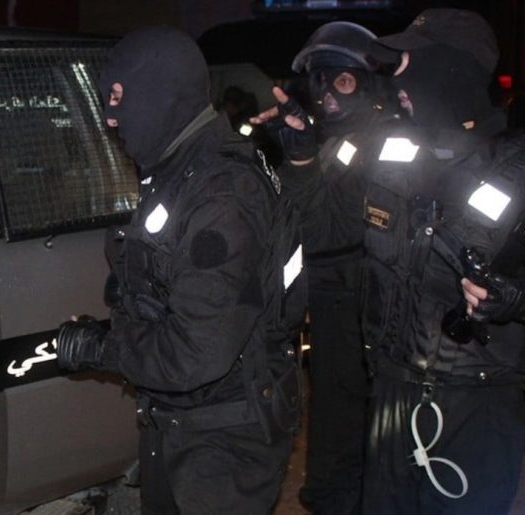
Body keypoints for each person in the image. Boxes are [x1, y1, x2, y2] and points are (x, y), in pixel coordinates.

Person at [262, 8, 525, 514]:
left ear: (452, 67)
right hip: (390, 398)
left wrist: (515, 298)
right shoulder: (393, 155)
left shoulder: (516, 167)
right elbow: (326, 233)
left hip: (476, 406)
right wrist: (300, 159)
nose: (396, 78)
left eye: (407, 62)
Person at [54, 26, 306, 514]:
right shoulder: (182, 168)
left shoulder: (223, 192)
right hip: (185, 421)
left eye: (118, 97)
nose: (109, 117)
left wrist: (102, 348)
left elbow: (196, 352)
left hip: (223, 439)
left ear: (161, 93)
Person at [256, 21, 400, 515]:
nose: (328, 95)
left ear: (368, 82)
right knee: (333, 409)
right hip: (332, 296)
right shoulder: (335, 139)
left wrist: (301, 162)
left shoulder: (384, 141)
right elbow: (291, 216)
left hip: (361, 298)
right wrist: (294, 151)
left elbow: (330, 231)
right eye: (319, 82)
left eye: (342, 80)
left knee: (350, 413)